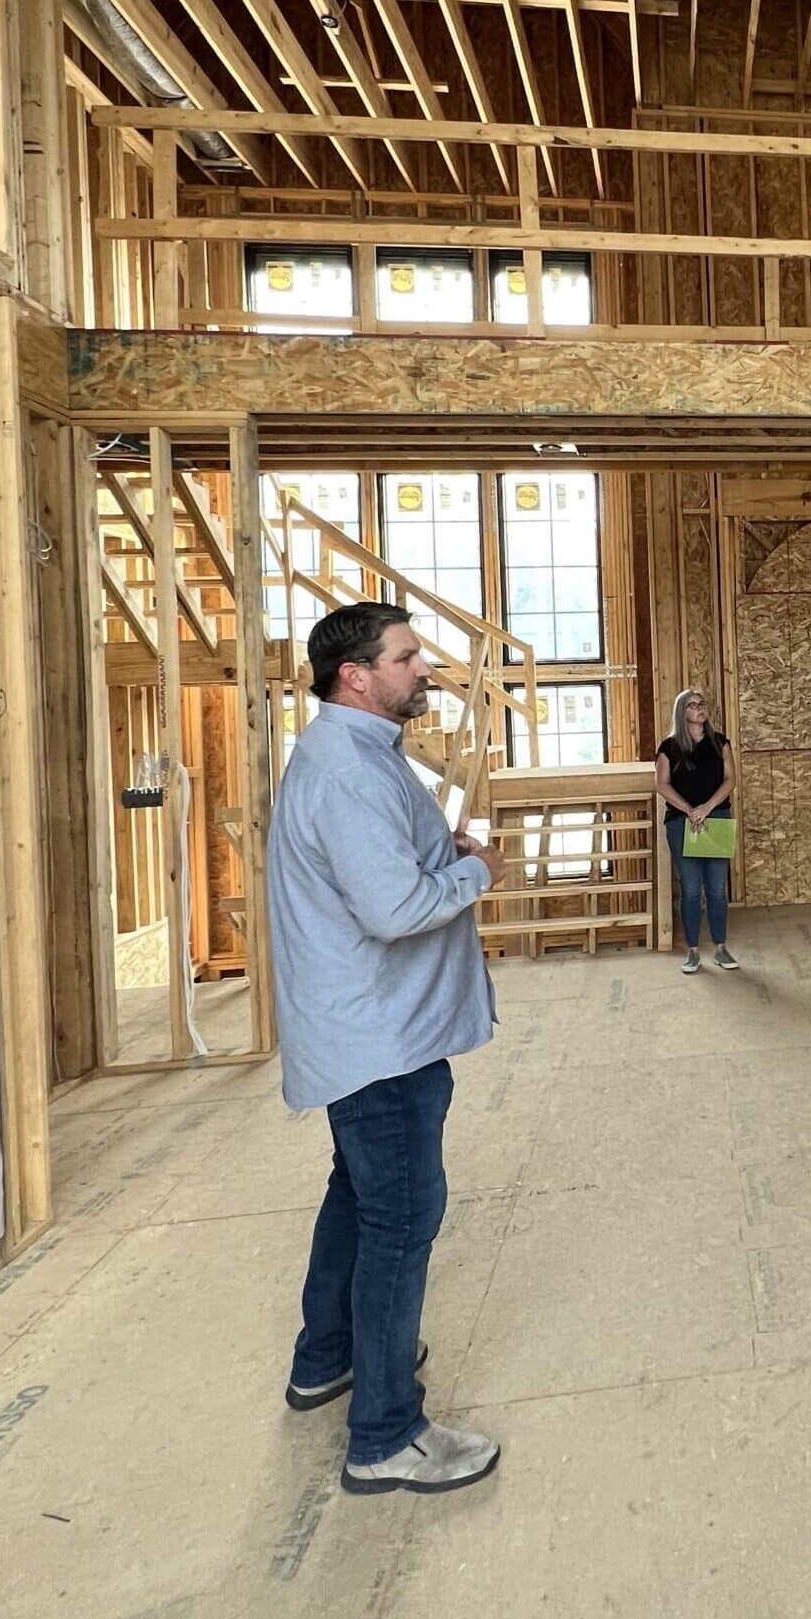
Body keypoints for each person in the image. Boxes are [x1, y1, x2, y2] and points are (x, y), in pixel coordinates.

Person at [268, 601, 505, 1496]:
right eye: (407, 658)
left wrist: (435, 848)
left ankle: (326, 1358)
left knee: (358, 1197)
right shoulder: (349, 772)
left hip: (373, 1030)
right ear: (356, 677)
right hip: (382, 1039)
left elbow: (381, 869)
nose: (424, 670)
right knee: (400, 1219)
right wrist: (478, 869)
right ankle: (385, 1435)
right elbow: (396, 910)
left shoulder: (358, 755)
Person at [654, 688, 739, 974]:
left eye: (702, 704)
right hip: (682, 823)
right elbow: (662, 784)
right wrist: (691, 810)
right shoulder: (669, 747)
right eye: (692, 705)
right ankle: (692, 951)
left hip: (717, 819)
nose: (699, 709)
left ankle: (720, 947)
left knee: (716, 889)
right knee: (690, 889)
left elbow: (730, 779)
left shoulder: (720, 743)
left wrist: (707, 807)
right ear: (683, 713)